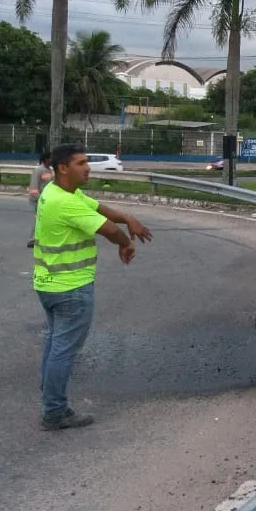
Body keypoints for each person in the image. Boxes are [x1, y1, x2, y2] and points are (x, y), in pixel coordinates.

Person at [33, 144, 152, 430]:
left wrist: (128, 218)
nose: (87, 167)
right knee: (64, 349)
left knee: (55, 345)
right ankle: (54, 411)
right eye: (81, 163)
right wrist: (126, 244)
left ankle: (50, 396)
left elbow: (98, 208)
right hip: (70, 288)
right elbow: (108, 230)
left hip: (48, 284)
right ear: (63, 168)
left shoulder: (58, 192)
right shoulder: (66, 202)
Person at [26, 150, 53, 248]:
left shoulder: (49, 170)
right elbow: (34, 187)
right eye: (51, 158)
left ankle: (42, 238)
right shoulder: (38, 170)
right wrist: (38, 199)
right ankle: (32, 239)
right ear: (46, 159)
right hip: (39, 200)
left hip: (47, 200)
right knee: (39, 220)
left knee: (46, 220)